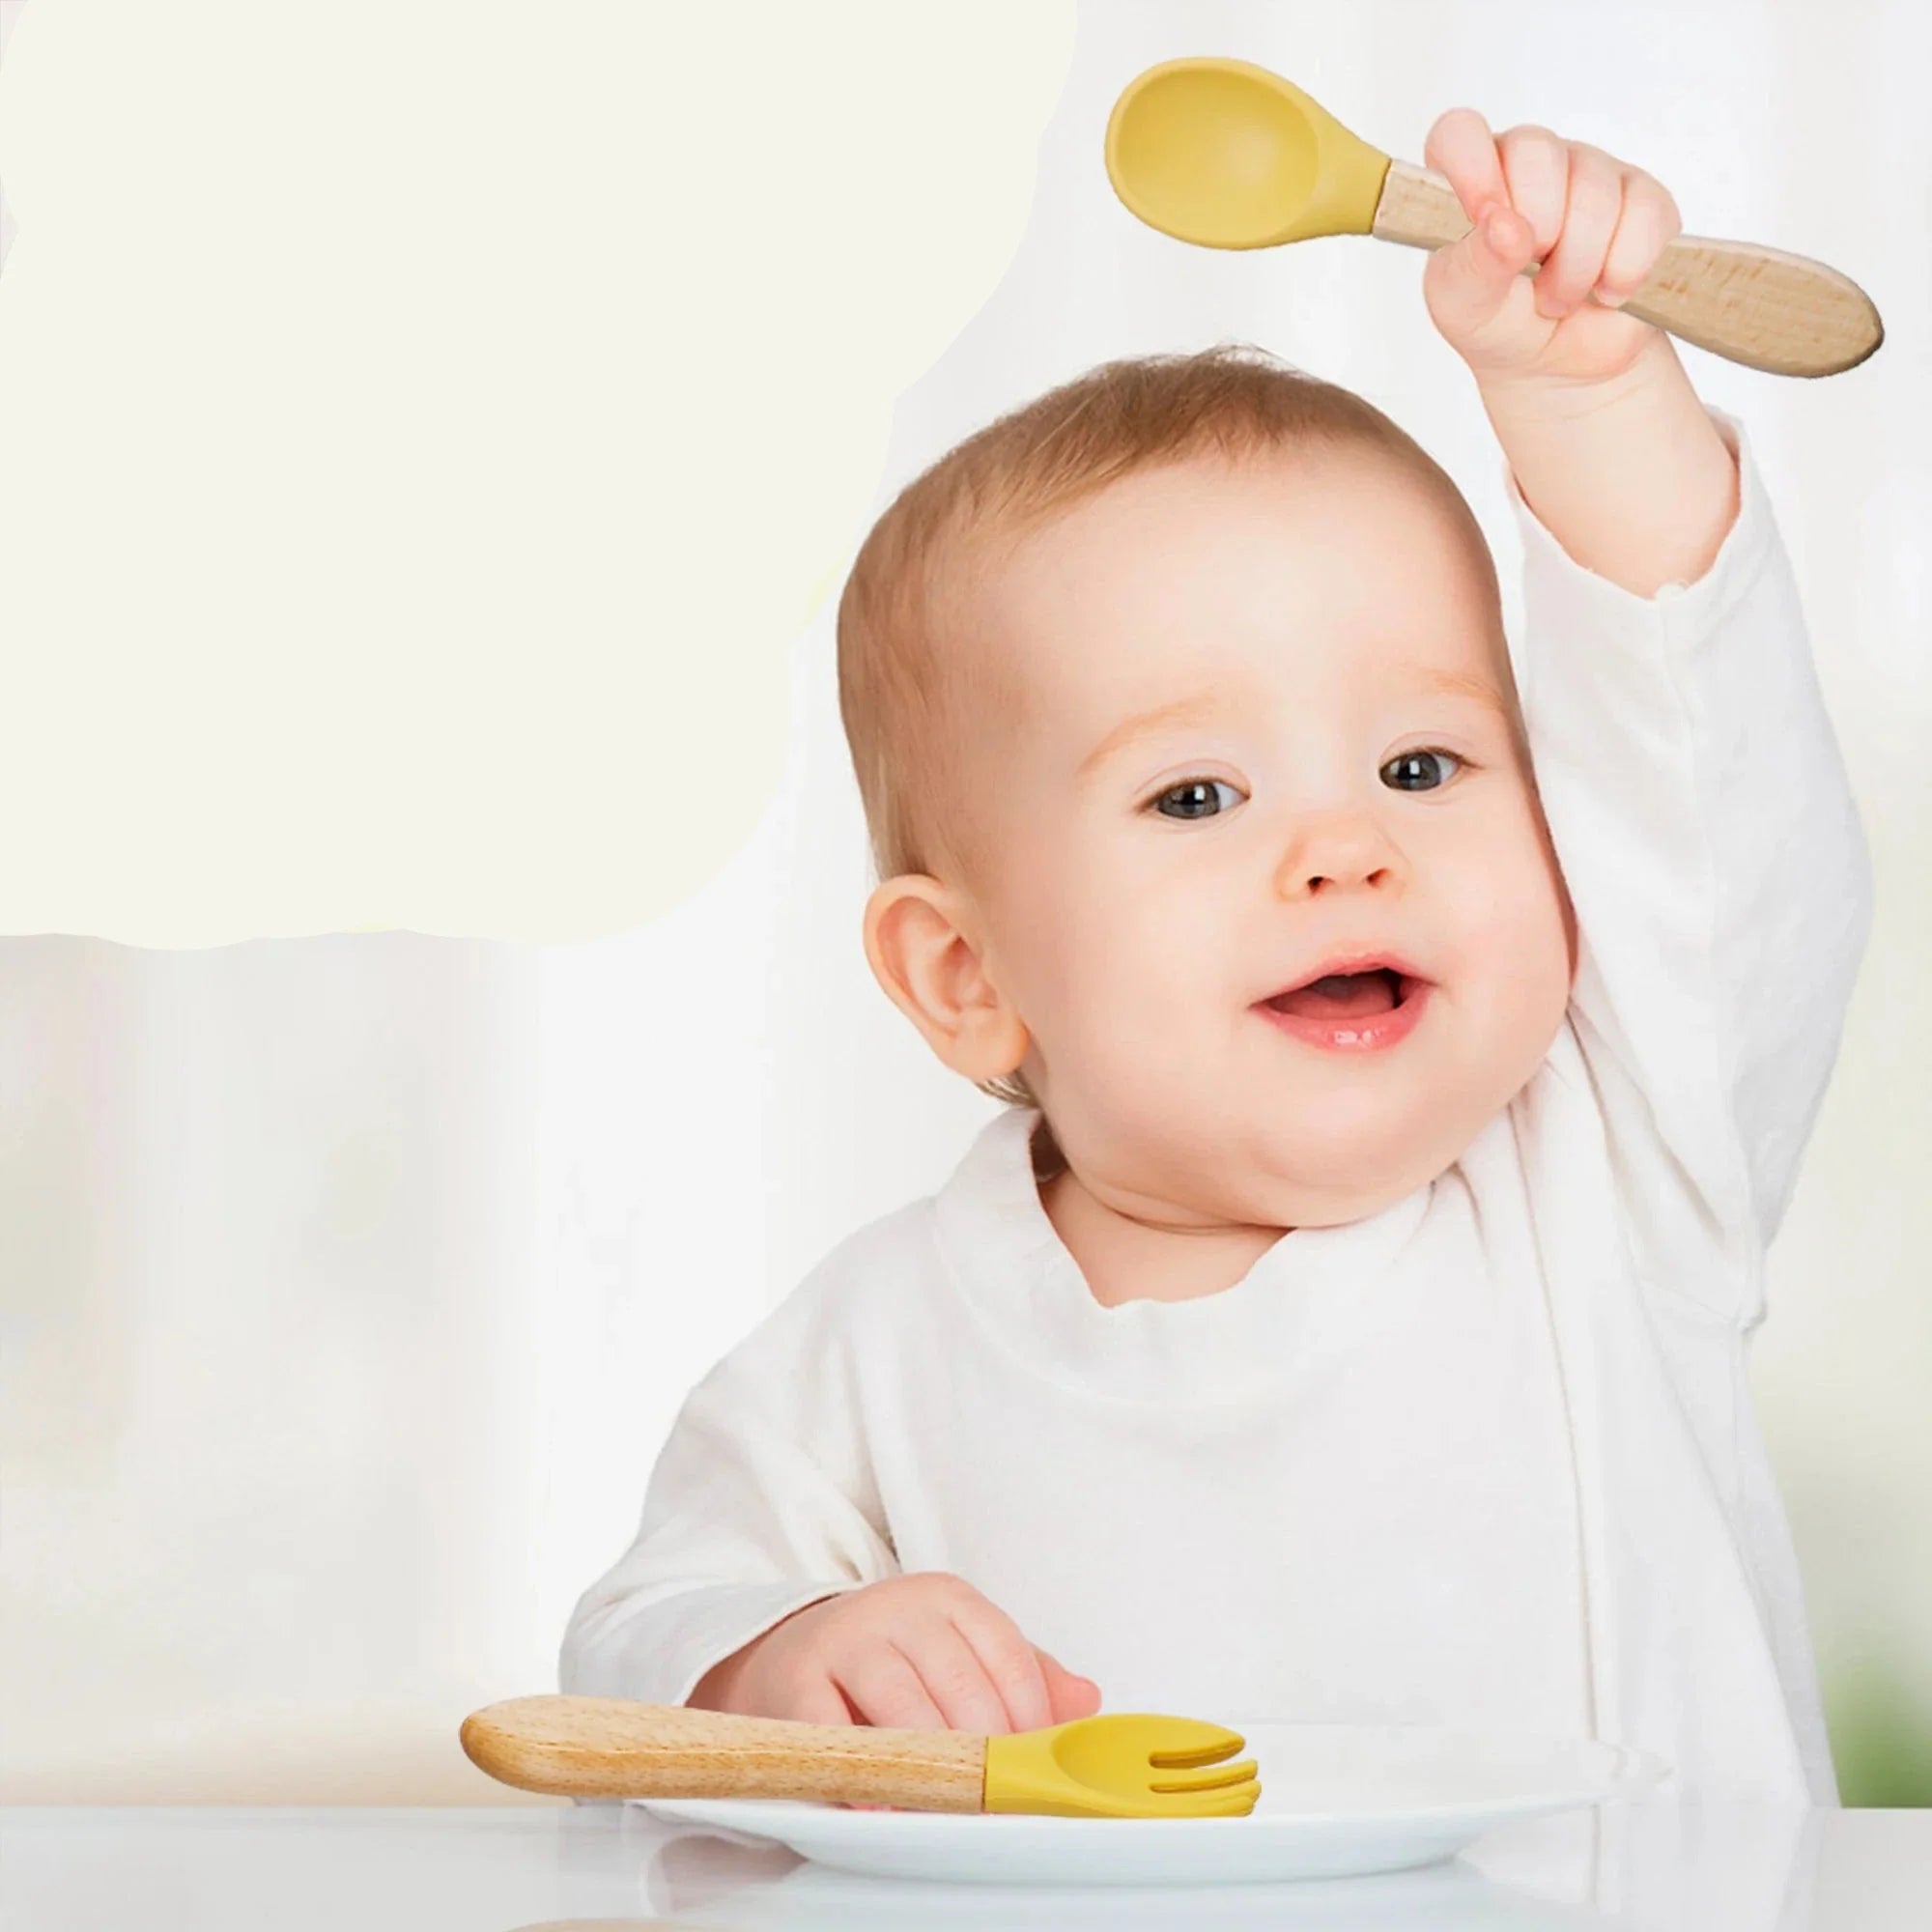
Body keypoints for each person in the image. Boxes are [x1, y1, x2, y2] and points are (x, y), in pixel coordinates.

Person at [559, 108, 1871, 1804]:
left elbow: (1720, 806)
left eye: (1421, 765)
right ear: (966, 977)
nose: (1346, 848)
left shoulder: (1615, 1180)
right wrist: (779, 1657)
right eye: (1196, 794)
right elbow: (635, 1649)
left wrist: (1590, 398)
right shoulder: (875, 1347)